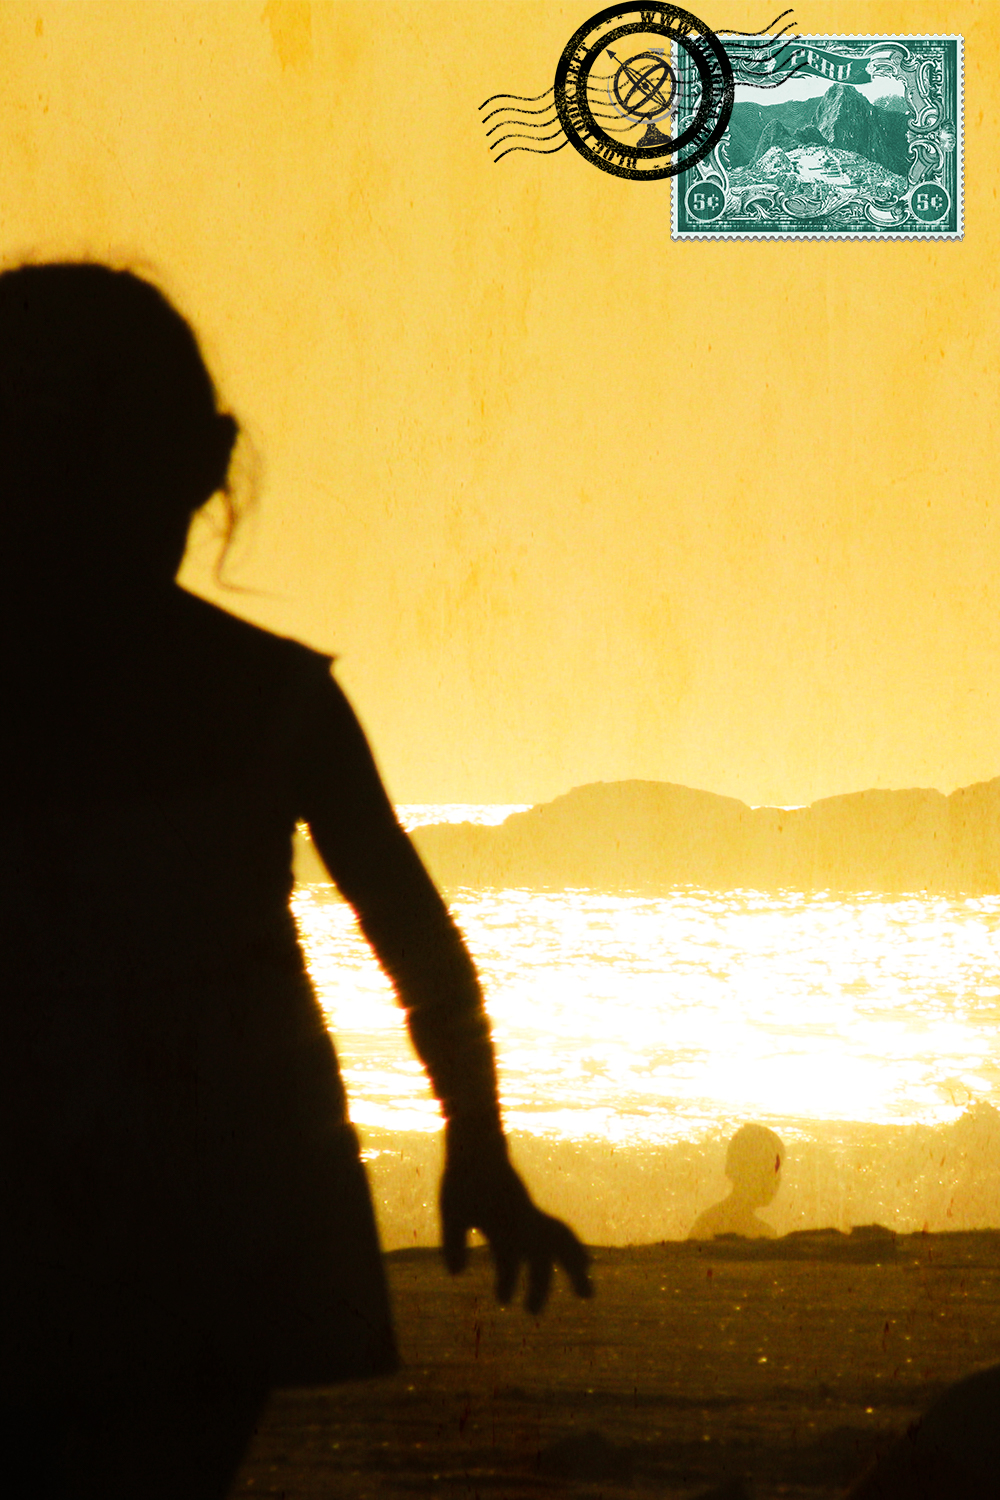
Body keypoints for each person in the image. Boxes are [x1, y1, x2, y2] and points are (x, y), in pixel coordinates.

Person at [0, 262, 591, 1499]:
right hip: (231, 1196)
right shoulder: (275, 698)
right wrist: (475, 1147)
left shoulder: (275, 699)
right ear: (208, 459)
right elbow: (416, 943)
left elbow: (416, 940)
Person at [688, 1124, 785, 1240]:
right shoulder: (762, 1234)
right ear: (748, 1171)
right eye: (771, 1170)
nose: (777, 1179)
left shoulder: (706, 1222)